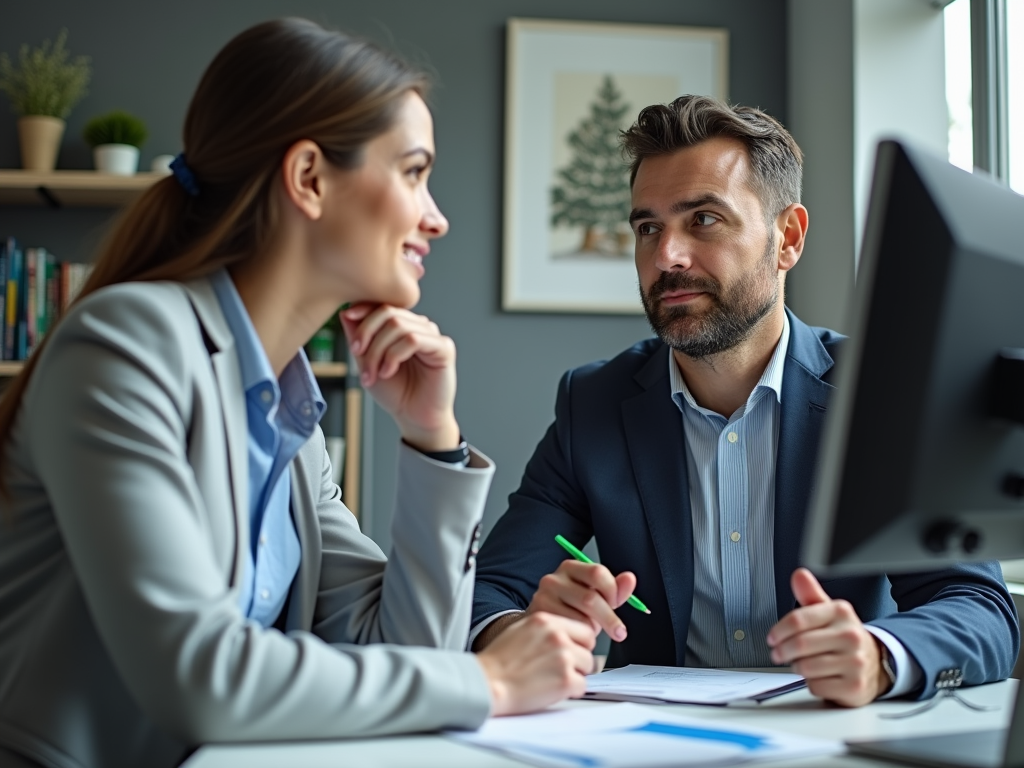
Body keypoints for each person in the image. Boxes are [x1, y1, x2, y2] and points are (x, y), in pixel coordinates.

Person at [0, 19, 596, 768]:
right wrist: (489, 680)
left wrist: (431, 438)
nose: (436, 216)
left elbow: (405, 652)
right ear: (310, 178)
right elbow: (198, 675)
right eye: (414, 172)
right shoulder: (126, 346)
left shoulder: (290, 413)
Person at [472, 94, 1019, 707]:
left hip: (831, 738)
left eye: (703, 219)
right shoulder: (592, 403)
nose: (666, 257)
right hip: (651, 747)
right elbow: (489, 588)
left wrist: (880, 658)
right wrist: (521, 632)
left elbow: (980, 609)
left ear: (787, 238)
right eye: (648, 227)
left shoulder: (879, 398)